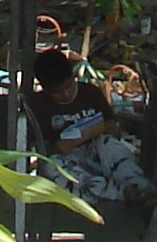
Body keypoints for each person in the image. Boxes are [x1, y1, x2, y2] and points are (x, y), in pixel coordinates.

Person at [27, 45, 150, 206]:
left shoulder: (90, 93)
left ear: (74, 77)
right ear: (44, 89)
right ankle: (120, 193)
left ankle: (139, 187)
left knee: (112, 147)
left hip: (97, 149)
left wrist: (111, 130)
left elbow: (112, 126)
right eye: (57, 92)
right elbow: (37, 151)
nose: (65, 94)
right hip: (67, 158)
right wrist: (57, 148)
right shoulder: (38, 106)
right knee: (55, 169)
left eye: (69, 87)